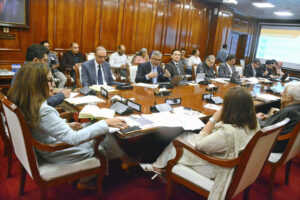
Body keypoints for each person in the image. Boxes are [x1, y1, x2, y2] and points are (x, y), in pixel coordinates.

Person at [7, 62, 137, 189]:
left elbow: (41, 125)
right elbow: (73, 139)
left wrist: (66, 125)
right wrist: (105, 123)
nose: (53, 85)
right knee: (103, 135)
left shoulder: (25, 101)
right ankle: (86, 180)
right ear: (36, 83)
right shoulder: (43, 109)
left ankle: (124, 159)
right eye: (49, 80)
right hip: (58, 152)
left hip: (47, 145)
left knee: (93, 125)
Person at [140, 87, 260, 199]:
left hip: (216, 167)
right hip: (233, 163)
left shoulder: (227, 132)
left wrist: (213, 119)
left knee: (179, 141)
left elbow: (200, 145)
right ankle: (160, 166)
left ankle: (159, 166)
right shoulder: (253, 124)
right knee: (187, 135)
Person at [256, 82, 300, 153]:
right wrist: (270, 118)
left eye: (284, 92)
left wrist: (256, 118)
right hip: (286, 145)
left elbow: (262, 128)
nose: (281, 94)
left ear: (289, 97)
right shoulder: (296, 109)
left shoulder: (289, 111)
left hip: (273, 145)